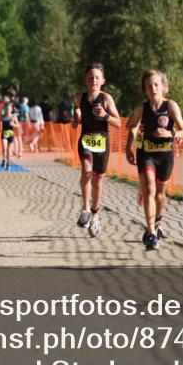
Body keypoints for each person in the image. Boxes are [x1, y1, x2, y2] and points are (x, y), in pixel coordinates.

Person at [125, 70, 183, 251]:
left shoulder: (171, 106)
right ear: (144, 90)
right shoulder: (141, 107)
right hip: (146, 153)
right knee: (150, 190)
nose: (152, 88)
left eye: (156, 85)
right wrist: (128, 147)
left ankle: (158, 221)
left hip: (165, 155)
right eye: (148, 86)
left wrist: (170, 133)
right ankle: (151, 232)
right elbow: (132, 126)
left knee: (160, 193)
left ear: (164, 87)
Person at [71, 64, 122, 238]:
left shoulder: (106, 98)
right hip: (86, 140)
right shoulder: (79, 97)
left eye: (97, 77)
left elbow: (119, 123)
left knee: (98, 181)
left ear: (103, 81)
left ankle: (95, 214)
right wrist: (76, 116)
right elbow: (76, 107)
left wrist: (105, 116)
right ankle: (85, 208)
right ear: (85, 80)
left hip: (102, 143)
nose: (94, 80)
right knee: (86, 170)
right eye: (90, 77)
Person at [0, 101, 18, 170]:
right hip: (4, 134)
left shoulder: (14, 116)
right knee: (4, 148)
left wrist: (13, 124)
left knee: (9, 149)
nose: (8, 110)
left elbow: (18, 125)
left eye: (9, 109)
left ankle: (8, 163)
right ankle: (4, 160)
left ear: (11, 109)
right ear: (5, 109)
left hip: (10, 134)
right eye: (7, 108)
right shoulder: (2, 116)